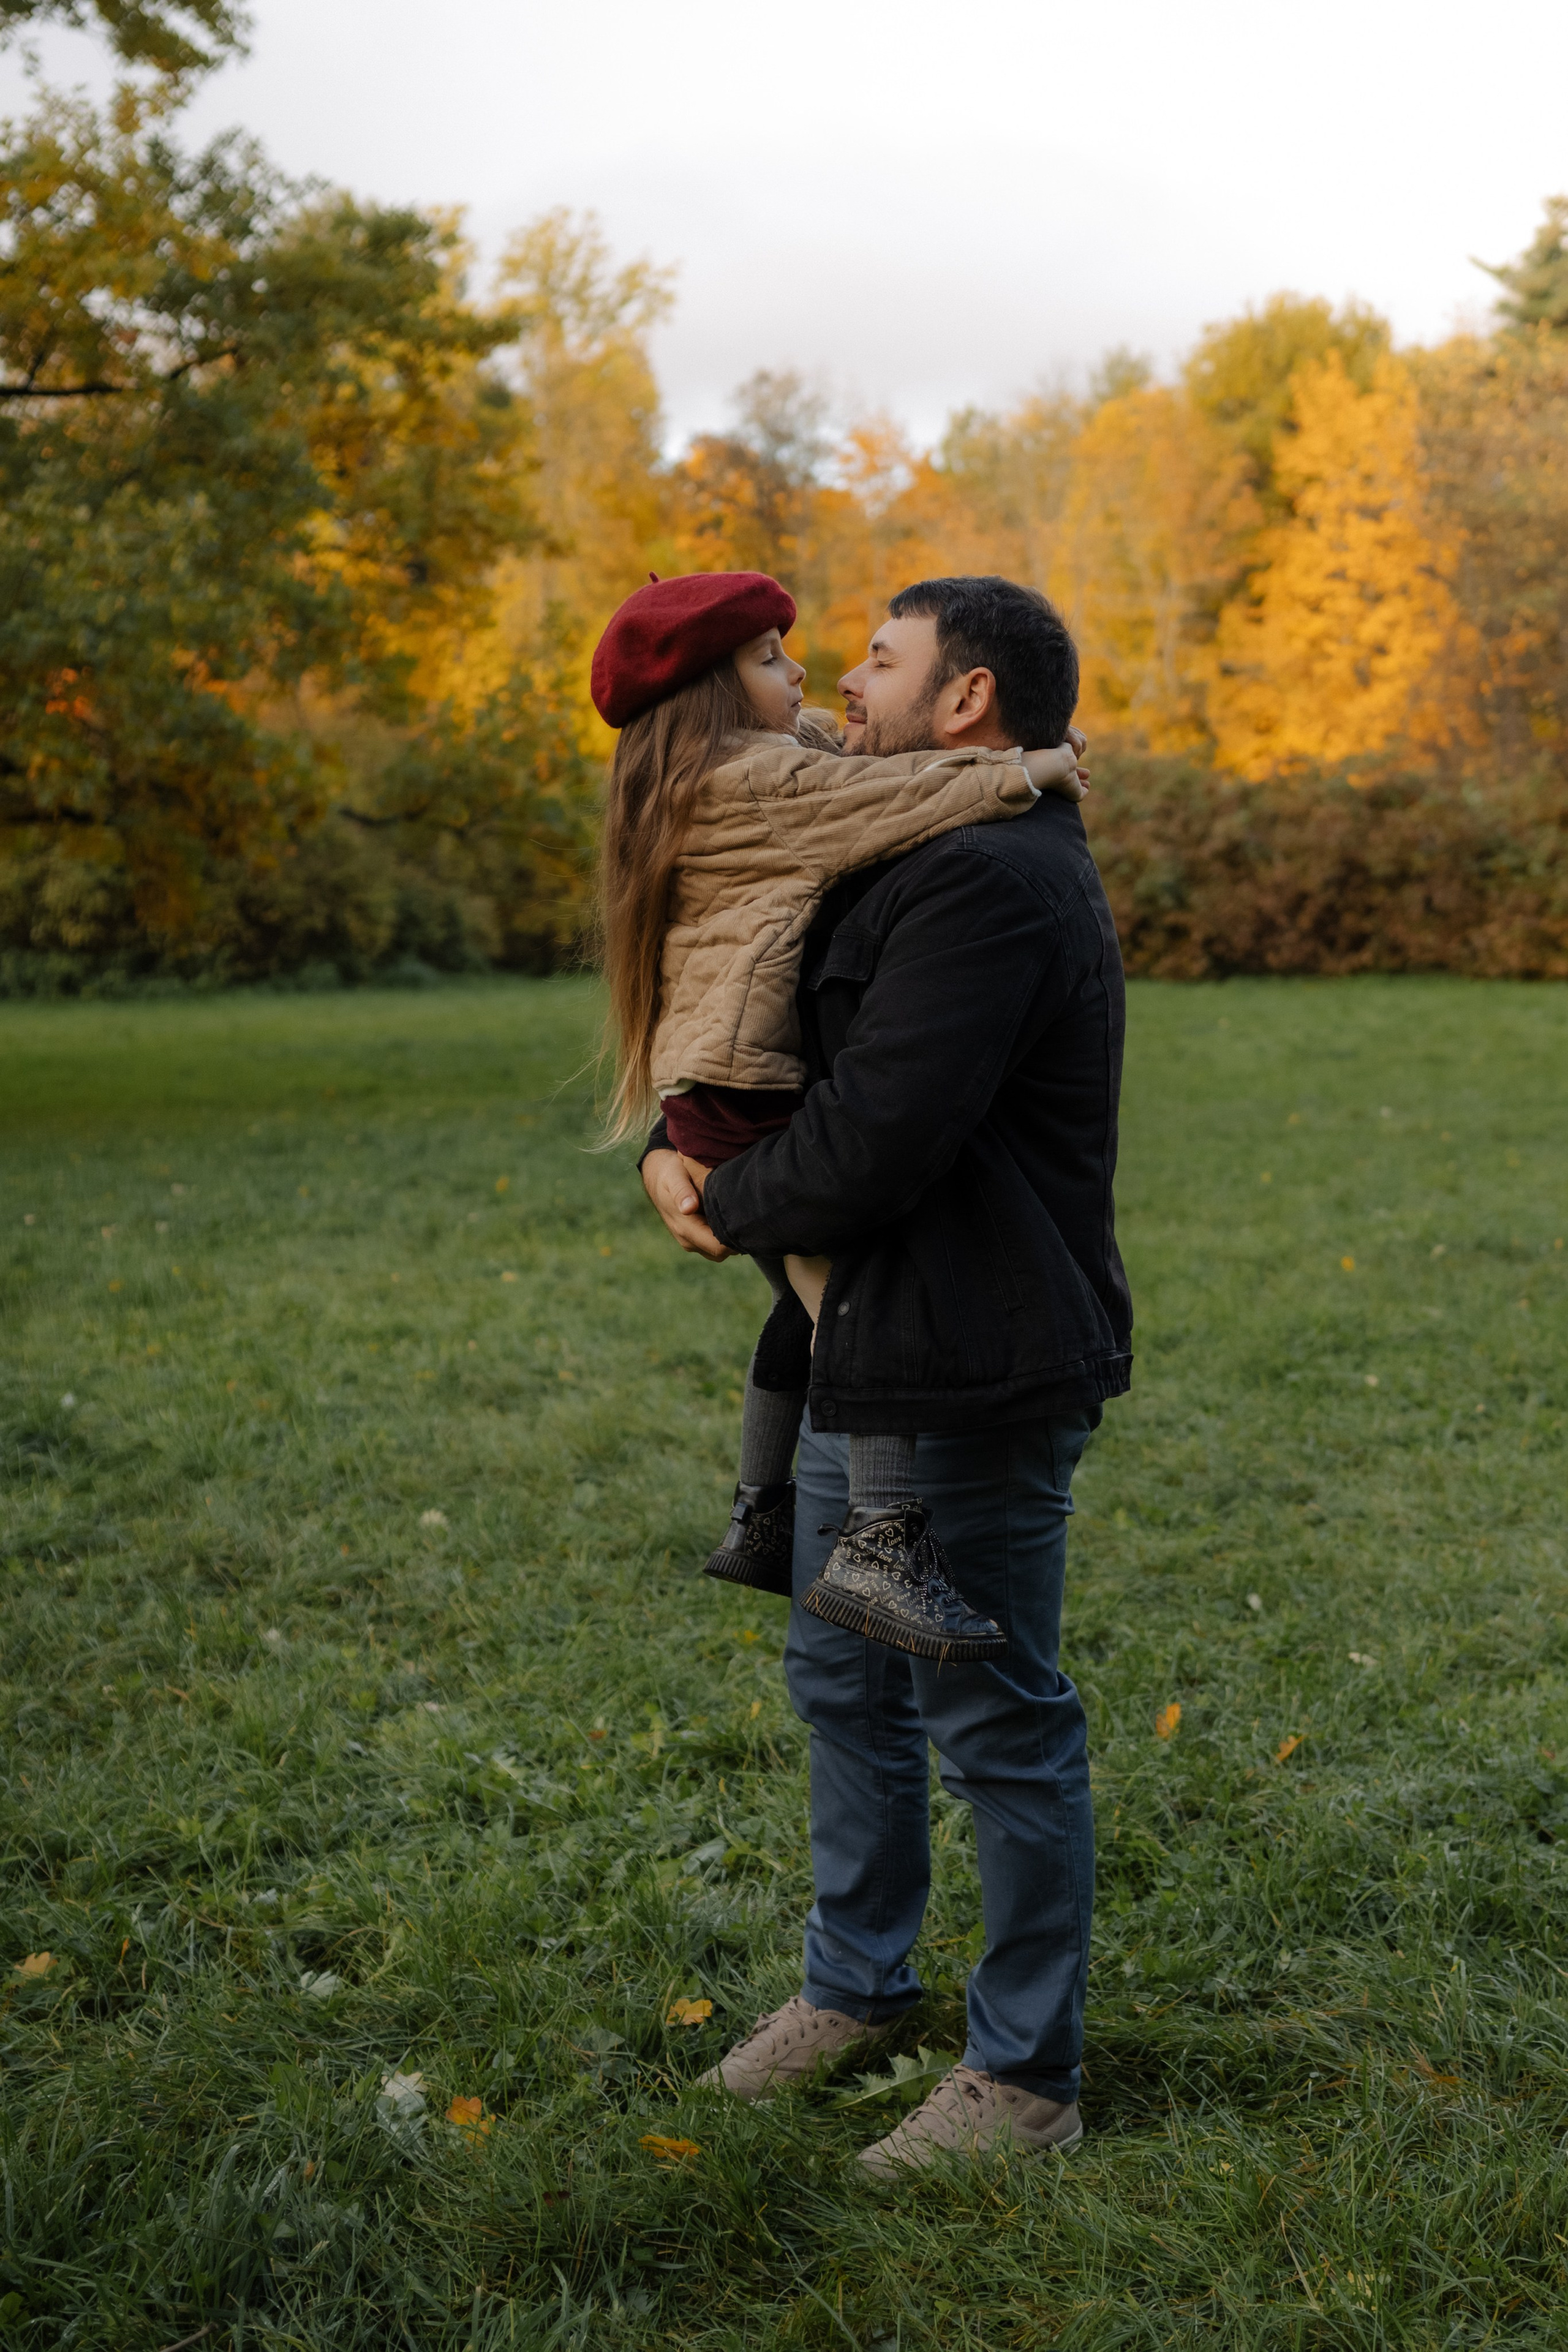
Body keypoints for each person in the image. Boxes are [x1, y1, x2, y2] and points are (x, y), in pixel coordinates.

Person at [641, 575, 1133, 2173]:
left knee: (986, 1710)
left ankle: (1023, 2083)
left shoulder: (991, 878)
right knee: (848, 1681)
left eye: (882, 657)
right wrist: (676, 1141)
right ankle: (857, 1990)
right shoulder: (912, 835)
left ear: (971, 699)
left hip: (958, 1364)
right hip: (866, 1350)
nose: (849, 679)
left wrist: (719, 1203)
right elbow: (756, 1015)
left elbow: (876, 1139)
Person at [595, 568, 1087, 1661]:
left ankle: (762, 1512)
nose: (814, 672)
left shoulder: (719, 766)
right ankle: (876, 1534)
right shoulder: (754, 782)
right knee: (852, 1323)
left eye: (871, 658)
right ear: (720, 699)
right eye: (773, 658)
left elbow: (831, 752)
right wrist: (1030, 768)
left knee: (803, 1310)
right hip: (737, 1093)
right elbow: (895, 798)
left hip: (722, 1086)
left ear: (964, 693)